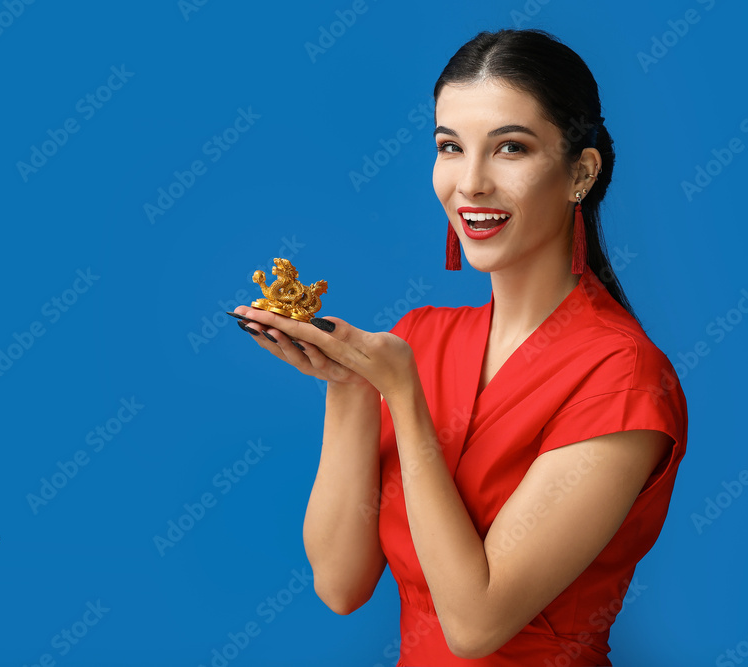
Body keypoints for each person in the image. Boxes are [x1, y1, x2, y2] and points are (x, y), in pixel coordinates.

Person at [232, 28, 688, 667]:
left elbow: (476, 625)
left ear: (580, 172)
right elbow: (340, 585)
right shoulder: (420, 337)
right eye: (450, 147)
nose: (470, 183)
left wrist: (403, 396)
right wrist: (350, 386)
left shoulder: (622, 375)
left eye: (510, 148)